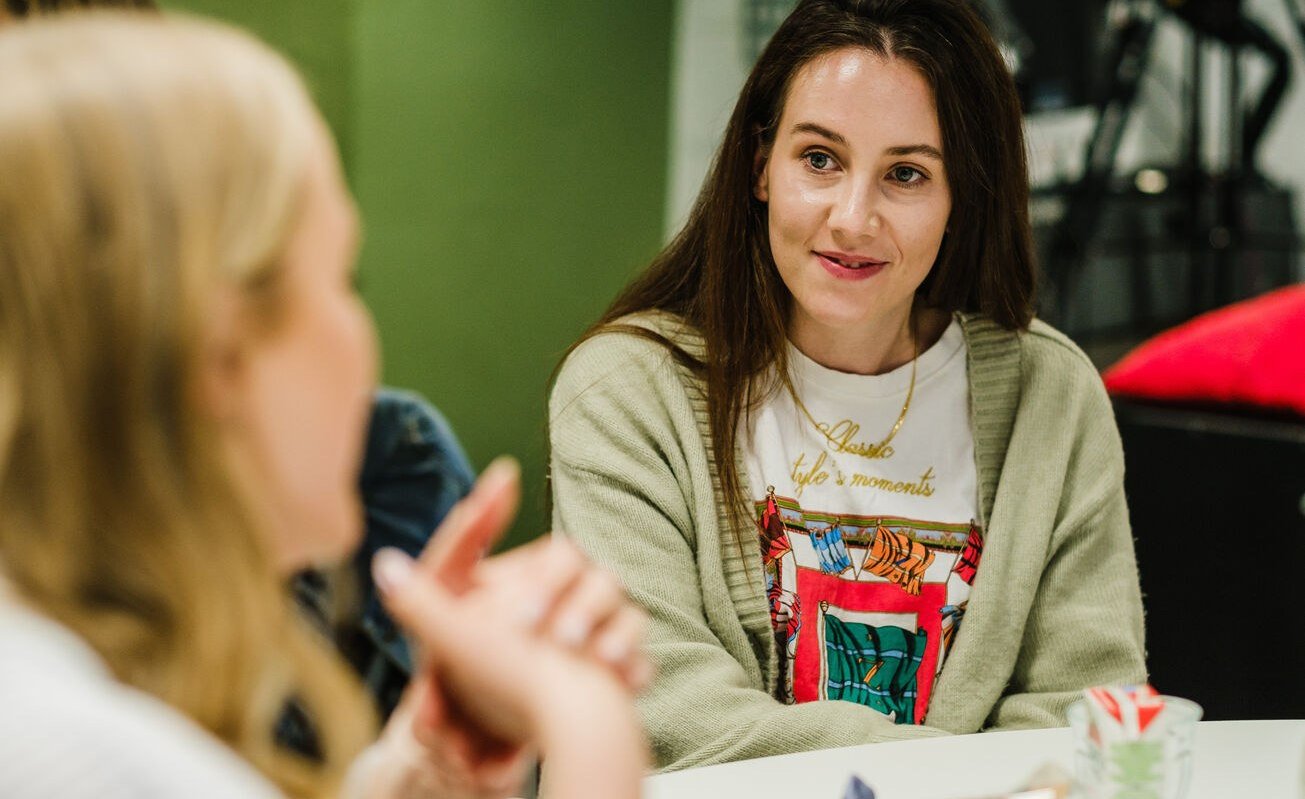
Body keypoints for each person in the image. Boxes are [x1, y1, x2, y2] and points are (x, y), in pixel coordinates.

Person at [0, 12, 645, 799]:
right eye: (341, 277)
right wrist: (583, 714)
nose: (361, 330)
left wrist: (417, 769)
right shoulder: (90, 756)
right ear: (223, 353)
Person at [549, 0, 1146, 772]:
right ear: (760, 165)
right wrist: (953, 771)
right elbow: (660, 713)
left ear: (962, 197)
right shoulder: (625, 392)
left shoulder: (1050, 396)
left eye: (905, 174)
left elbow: (1085, 707)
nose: (852, 218)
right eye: (819, 159)